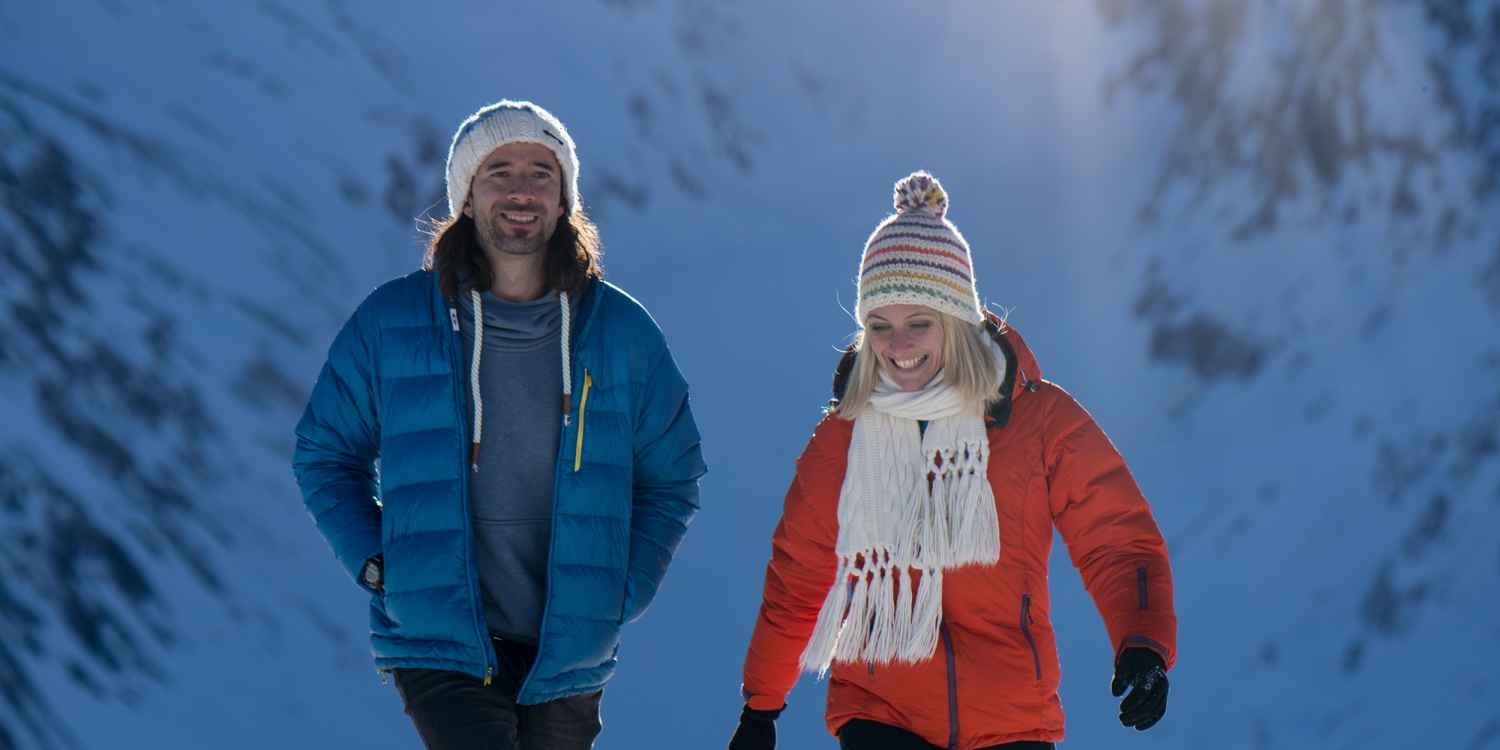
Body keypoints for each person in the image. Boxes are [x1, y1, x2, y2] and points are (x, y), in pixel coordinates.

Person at [293, 99, 706, 750]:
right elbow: (323, 452)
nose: (521, 190)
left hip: (567, 651)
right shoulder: (393, 321)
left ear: (565, 195)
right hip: (439, 637)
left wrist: (621, 592)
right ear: (466, 195)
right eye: (499, 171)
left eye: (541, 172)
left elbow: (673, 474)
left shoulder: (622, 332)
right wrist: (376, 563)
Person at [729, 172, 1176, 750]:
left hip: (1012, 716)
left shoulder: (1038, 423)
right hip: (880, 709)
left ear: (959, 322)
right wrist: (761, 706)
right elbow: (798, 578)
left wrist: (1142, 642)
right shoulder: (844, 439)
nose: (899, 345)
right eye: (879, 326)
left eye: (920, 322)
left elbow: (1116, 540)